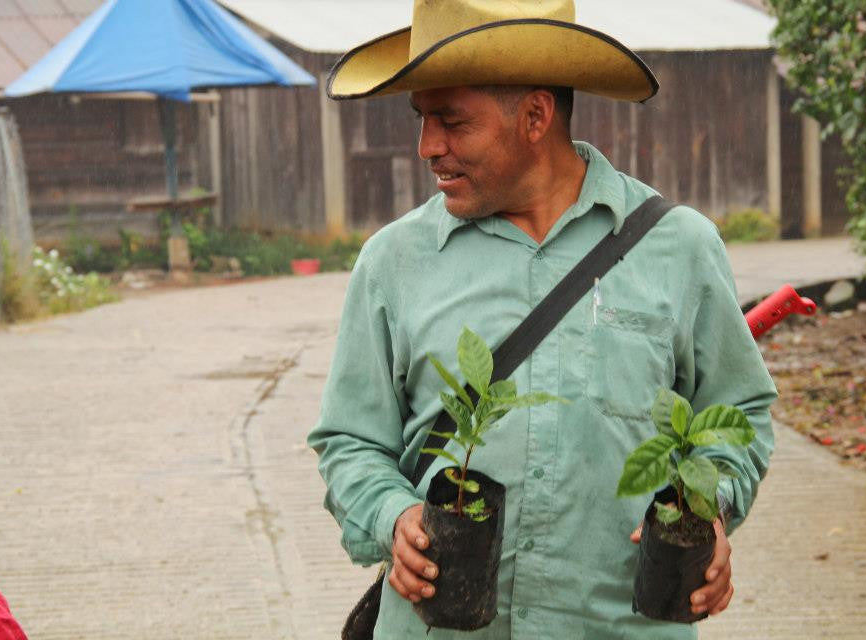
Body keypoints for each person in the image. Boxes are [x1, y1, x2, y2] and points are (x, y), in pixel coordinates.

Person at [309, 1, 777, 638]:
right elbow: (350, 441)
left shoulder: (680, 248)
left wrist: (709, 508)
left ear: (535, 116)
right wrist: (393, 516)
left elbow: (738, 413)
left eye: (451, 121)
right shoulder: (393, 262)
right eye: (422, 120)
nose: (427, 147)